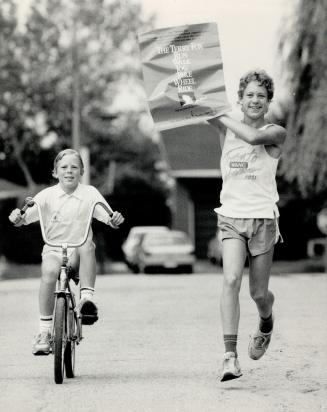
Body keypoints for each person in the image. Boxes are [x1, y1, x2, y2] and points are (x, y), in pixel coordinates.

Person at [207, 70, 286, 381]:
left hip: (264, 219)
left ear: (268, 103)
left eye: (261, 97)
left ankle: (266, 318)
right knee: (230, 281)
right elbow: (192, 109)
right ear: (240, 99)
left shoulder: (275, 132)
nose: (255, 100)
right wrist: (188, 97)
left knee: (258, 293)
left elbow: (251, 137)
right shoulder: (225, 131)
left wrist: (219, 114)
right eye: (249, 95)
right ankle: (229, 356)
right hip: (231, 217)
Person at [9, 149, 124, 355]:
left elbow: (109, 216)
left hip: (79, 252)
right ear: (55, 172)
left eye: (74, 167)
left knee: (87, 243)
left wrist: (114, 220)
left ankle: (86, 300)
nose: (69, 171)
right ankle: (44, 332)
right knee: (49, 274)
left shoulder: (90, 194)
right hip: (54, 249)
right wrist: (18, 217)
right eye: (64, 167)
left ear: (82, 171)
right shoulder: (46, 196)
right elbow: (24, 217)